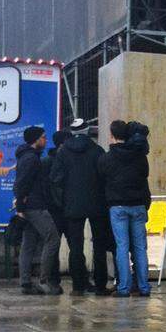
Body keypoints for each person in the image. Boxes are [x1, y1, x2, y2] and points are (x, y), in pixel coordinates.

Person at [51, 118, 112, 296]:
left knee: (75, 246)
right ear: (87, 131)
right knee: (99, 245)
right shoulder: (97, 150)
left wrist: (63, 200)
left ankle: (78, 286)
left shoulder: (63, 153)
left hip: (72, 205)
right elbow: (105, 176)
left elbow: (55, 179)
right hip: (97, 204)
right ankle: (100, 285)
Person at [99, 120, 151, 298]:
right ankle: (144, 287)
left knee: (122, 247)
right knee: (140, 248)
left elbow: (102, 177)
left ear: (112, 136)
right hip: (138, 205)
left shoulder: (107, 158)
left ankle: (123, 288)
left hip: (118, 207)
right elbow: (144, 176)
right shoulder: (140, 156)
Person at [14, 125, 61, 295]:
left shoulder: (27, 156)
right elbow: (22, 183)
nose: (45, 140)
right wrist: (20, 205)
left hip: (30, 206)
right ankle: (44, 280)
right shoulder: (31, 159)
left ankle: (25, 282)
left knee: (29, 244)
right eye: (43, 137)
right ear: (36, 140)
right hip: (35, 207)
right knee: (53, 238)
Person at [42, 129, 72, 287]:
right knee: (70, 243)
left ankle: (54, 280)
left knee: (57, 244)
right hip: (61, 208)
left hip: (56, 209)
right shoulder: (59, 162)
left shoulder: (47, 161)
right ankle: (55, 279)